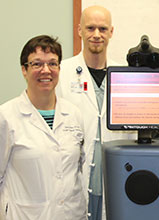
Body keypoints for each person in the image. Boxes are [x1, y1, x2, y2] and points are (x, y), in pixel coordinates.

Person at [56, 5, 136, 220]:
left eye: (102, 28)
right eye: (90, 28)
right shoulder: (61, 73)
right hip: (74, 180)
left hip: (117, 177)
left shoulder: (127, 76)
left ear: (111, 32)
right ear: (79, 30)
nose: (96, 35)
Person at [0, 35, 87, 220]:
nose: (46, 70)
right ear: (24, 70)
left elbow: (76, 171)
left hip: (71, 214)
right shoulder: (6, 116)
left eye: (53, 64)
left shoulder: (73, 114)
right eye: (37, 64)